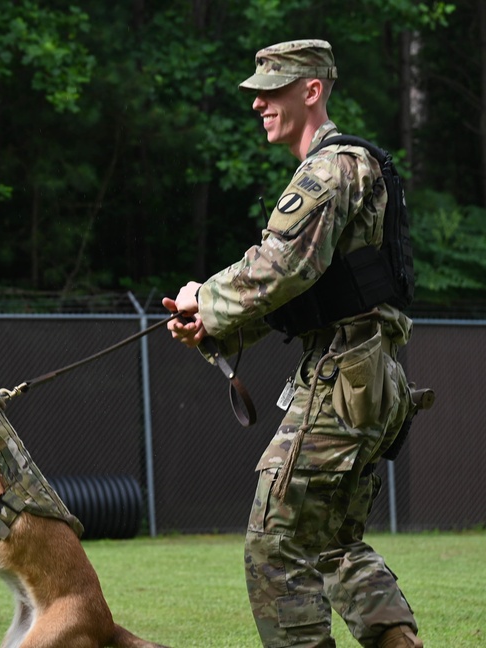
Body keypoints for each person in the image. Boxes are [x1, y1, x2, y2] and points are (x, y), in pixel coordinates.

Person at [162, 41, 425, 648]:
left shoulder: (329, 168)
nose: (257, 101)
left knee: (275, 545)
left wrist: (206, 297)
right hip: (371, 374)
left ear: (312, 91)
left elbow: (282, 267)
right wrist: (212, 327)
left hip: (343, 375)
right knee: (333, 544)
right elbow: (316, 288)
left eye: (272, 88)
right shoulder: (352, 168)